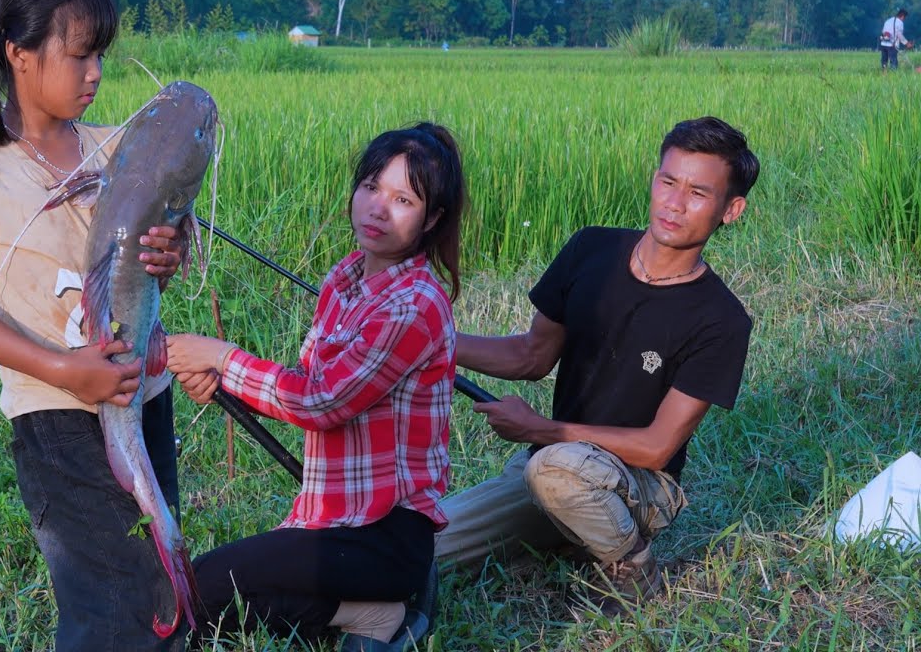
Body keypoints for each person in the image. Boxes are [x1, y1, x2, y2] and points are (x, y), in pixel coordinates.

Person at [0, 0, 188, 651]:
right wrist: (67, 371)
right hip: (57, 414)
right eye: (79, 54)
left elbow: (151, 266)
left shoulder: (118, 148)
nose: (96, 72)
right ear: (20, 55)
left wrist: (169, 253)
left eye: (102, 55)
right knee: (110, 596)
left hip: (143, 395)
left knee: (159, 569)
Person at [436, 116, 759, 617]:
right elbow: (531, 356)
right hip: (546, 470)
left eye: (698, 192)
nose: (674, 203)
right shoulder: (593, 249)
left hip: (639, 486)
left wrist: (539, 429)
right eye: (667, 181)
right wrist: (437, 341)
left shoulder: (722, 321)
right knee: (421, 551)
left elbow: (656, 447)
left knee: (554, 468)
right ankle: (568, 536)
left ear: (730, 210)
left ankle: (632, 568)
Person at [165, 123, 467, 651]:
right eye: (371, 187)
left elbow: (323, 401)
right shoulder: (345, 280)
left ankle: (384, 607)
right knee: (204, 597)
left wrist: (222, 357)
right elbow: (307, 385)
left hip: (384, 536)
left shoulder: (414, 304)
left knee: (204, 589)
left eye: (403, 199)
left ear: (433, 219)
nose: (378, 208)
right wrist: (221, 385)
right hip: (328, 521)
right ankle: (368, 614)